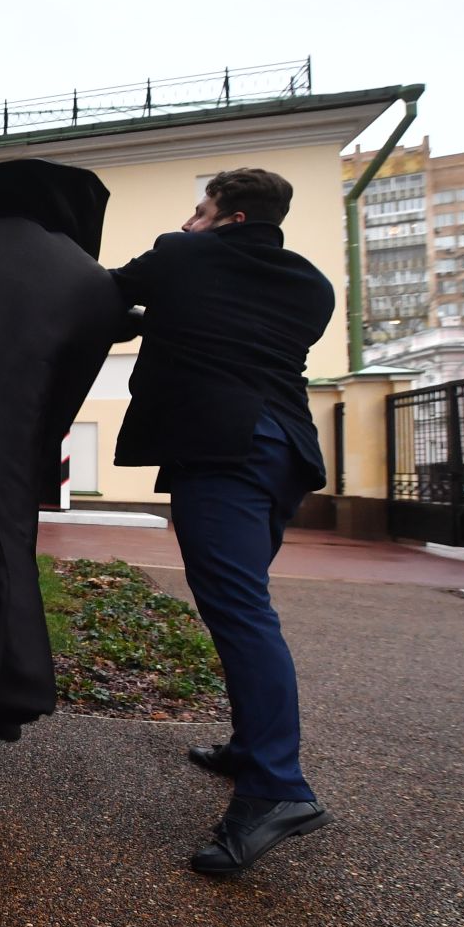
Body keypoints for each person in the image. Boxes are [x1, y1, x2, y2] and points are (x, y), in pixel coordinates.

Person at [112, 167, 335, 877]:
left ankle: (275, 789)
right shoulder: (311, 284)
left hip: (225, 453)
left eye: (201, 210)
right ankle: (249, 747)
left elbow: (108, 290)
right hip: (285, 453)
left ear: (233, 219)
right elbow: (232, 331)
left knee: (241, 614)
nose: (188, 221)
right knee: (242, 605)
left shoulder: (183, 258)